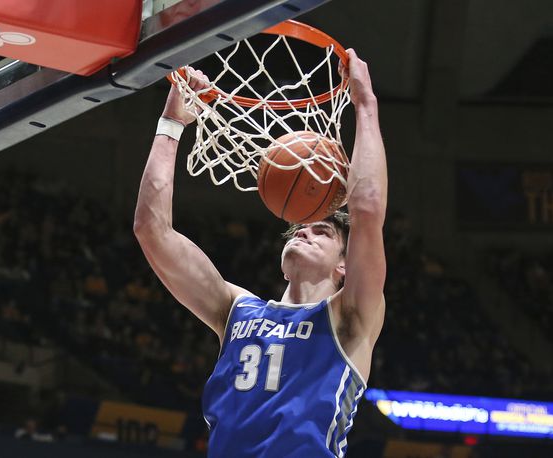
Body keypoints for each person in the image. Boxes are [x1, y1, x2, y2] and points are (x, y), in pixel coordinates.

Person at [134, 49, 386, 457]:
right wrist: (172, 124)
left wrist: (366, 104)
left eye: (320, 231)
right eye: (300, 229)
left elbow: (369, 210)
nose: (303, 233)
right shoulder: (235, 309)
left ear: (344, 264)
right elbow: (151, 230)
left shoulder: (349, 318)